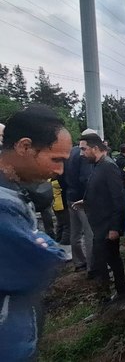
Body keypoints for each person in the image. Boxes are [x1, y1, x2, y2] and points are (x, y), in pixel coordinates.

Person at [0, 105, 71, 360]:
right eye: (56, 160)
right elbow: (37, 264)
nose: (60, 171)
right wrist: (46, 248)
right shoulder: (4, 206)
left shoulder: (15, 190)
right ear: (25, 147)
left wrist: (42, 245)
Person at [77, 133, 125, 303]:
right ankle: (120, 293)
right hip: (100, 225)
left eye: (84, 149)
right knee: (110, 259)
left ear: (95, 148)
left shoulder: (108, 167)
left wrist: (115, 228)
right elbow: (100, 192)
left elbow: (118, 199)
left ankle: (107, 298)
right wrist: (85, 201)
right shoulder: (98, 165)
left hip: (107, 226)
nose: (81, 153)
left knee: (102, 262)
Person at [65, 129, 96, 275]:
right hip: (82, 199)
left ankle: (78, 262)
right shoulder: (84, 155)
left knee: (75, 232)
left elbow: (62, 174)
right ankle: (92, 266)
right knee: (89, 232)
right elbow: (85, 178)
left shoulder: (70, 152)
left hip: (70, 195)